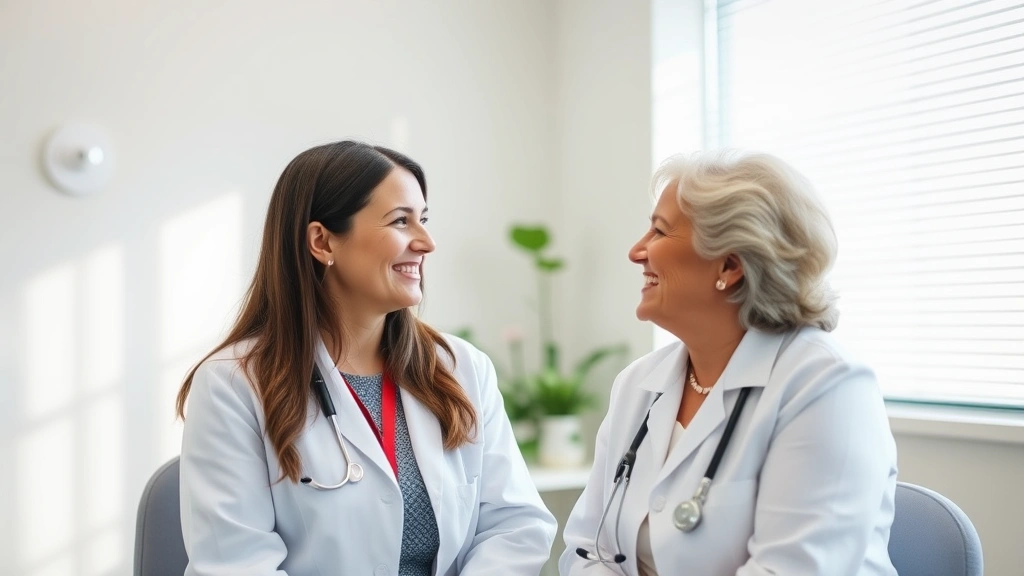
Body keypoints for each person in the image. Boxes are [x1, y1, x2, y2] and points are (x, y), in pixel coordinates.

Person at [176, 140, 556, 576]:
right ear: (322, 241)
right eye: (400, 221)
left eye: (423, 220)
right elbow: (237, 566)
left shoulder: (460, 367)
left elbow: (516, 525)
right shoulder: (233, 385)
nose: (427, 242)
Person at [559, 150, 898, 576]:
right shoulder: (638, 384)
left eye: (659, 231)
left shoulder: (827, 384)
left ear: (730, 265)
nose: (636, 252)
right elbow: (587, 550)